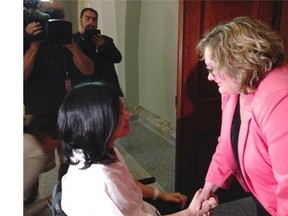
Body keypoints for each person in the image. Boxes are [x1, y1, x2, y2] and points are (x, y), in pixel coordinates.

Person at [57, 82, 218, 216]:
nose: (127, 116)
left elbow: (127, 182)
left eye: (124, 108)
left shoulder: (98, 149)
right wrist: (191, 213)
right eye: (119, 113)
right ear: (96, 125)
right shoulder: (102, 183)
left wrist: (161, 195)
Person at [194, 16, 288, 216]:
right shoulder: (235, 88)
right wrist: (208, 188)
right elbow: (227, 142)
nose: (209, 77)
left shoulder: (280, 98)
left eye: (212, 69)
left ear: (237, 62)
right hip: (263, 195)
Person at [24, 0, 94, 182]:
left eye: (60, 15)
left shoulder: (71, 39)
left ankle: (63, 192)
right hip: (39, 113)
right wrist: (33, 46)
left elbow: (88, 70)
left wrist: (71, 47)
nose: (56, 18)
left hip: (68, 113)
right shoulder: (27, 39)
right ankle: (31, 202)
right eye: (51, 13)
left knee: (70, 159)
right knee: (34, 163)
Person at [73, 7, 124, 97]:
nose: (91, 22)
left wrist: (103, 46)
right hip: (83, 88)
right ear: (81, 20)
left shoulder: (106, 40)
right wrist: (80, 38)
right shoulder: (73, 40)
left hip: (107, 87)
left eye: (94, 19)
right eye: (87, 18)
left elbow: (117, 58)